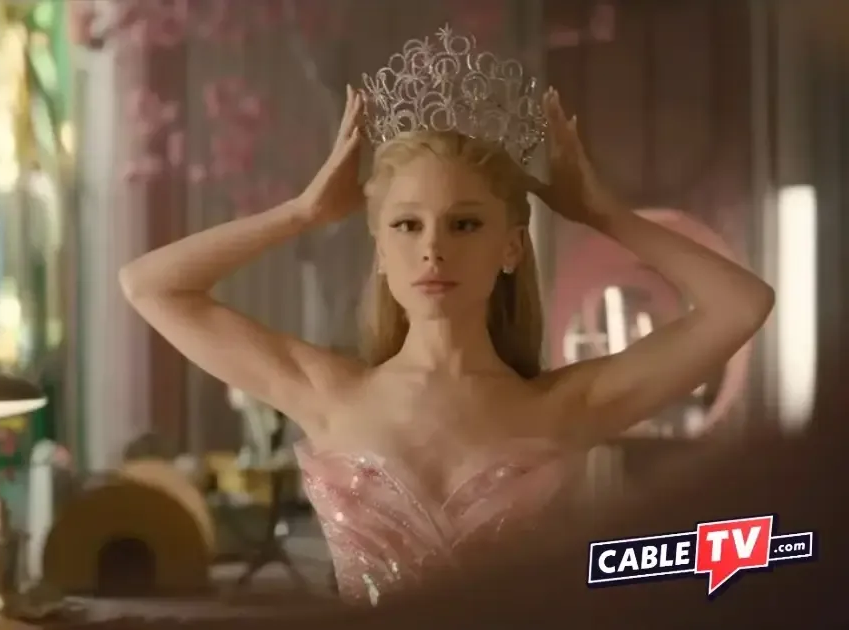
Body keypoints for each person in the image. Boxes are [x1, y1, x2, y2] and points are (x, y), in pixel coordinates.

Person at [119, 28, 775, 605]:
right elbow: (149, 286)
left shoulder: (567, 405)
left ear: (510, 246)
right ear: (381, 249)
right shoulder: (328, 393)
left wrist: (606, 215)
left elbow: (742, 305)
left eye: (465, 223)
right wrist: (301, 212)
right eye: (407, 225)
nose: (433, 247)